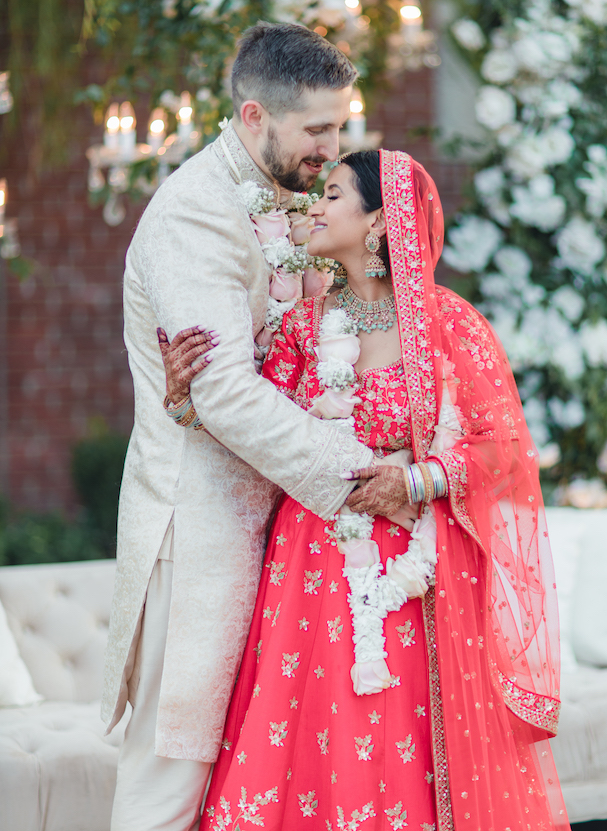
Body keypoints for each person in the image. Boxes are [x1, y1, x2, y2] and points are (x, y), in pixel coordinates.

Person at [161, 150, 570, 830]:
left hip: (413, 583)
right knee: (312, 737)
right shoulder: (299, 329)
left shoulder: (448, 326)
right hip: (307, 572)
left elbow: (504, 451)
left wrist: (415, 476)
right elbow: (254, 433)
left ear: (380, 220)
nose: (314, 207)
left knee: (394, 740)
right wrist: (187, 401)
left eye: (332, 194)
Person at [102, 24, 403, 831]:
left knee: (245, 782)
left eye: (339, 126)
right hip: (197, 534)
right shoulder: (194, 217)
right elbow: (226, 391)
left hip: (280, 539)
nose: (332, 148)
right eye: (317, 130)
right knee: (172, 780)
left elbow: (304, 349)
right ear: (253, 116)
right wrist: (359, 473)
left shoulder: (296, 201)